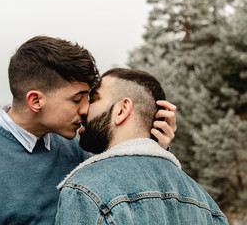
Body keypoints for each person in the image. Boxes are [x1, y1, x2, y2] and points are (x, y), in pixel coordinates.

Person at [0, 36, 177, 224]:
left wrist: (155, 148)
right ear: (35, 101)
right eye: (76, 99)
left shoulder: (78, 150)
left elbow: (133, 200)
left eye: (89, 97)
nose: (85, 109)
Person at [55, 68, 228, 224]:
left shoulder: (85, 189)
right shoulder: (206, 203)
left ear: (122, 110)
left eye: (93, 99)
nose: (84, 110)